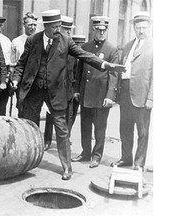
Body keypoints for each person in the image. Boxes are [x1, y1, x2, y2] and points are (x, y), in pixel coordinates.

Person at [11, 9, 126, 180]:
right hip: (33, 91)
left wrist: (105, 65)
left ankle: (66, 167)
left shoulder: (66, 41)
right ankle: (26, 162)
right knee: (29, 127)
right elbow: (21, 63)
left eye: (60, 26)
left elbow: (85, 55)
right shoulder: (33, 40)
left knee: (62, 130)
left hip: (56, 92)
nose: (59, 30)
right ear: (47, 27)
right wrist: (15, 79)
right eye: (55, 27)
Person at [71, 16, 119, 168]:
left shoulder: (112, 49)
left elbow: (114, 75)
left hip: (100, 95)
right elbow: (79, 70)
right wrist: (77, 90)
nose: (102, 33)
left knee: (99, 128)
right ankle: (85, 153)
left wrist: (109, 96)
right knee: (85, 125)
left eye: (104, 30)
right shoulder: (85, 47)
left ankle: (96, 156)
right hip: (85, 94)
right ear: (93, 30)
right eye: (98, 30)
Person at [111, 12, 153, 170]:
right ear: (134, 28)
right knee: (125, 128)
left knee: (142, 131)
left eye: (144, 27)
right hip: (126, 93)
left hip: (142, 95)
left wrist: (151, 98)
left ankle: (139, 163)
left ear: (149, 27)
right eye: (138, 27)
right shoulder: (128, 45)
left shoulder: (154, 46)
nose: (141, 31)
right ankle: (126, 158)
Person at [43, 15, 76, 151]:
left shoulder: (70, 43)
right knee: (51, 116)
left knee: (67, 117)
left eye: (69, 30)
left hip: (68, 87)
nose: (67, 32)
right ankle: (47, 139)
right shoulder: (55, 44)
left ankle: (65, 140)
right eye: (65, 29)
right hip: (55, 87)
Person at [10, 12, 38, 117]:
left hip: (35, 81)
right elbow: (13, 64)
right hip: (21, 81)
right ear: (24, 25)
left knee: (35, 110)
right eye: (30, 25)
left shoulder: (40, 41)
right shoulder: (16, 42)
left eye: (35, 25)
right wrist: (14, 82)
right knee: (21, 107)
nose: (33, 27)